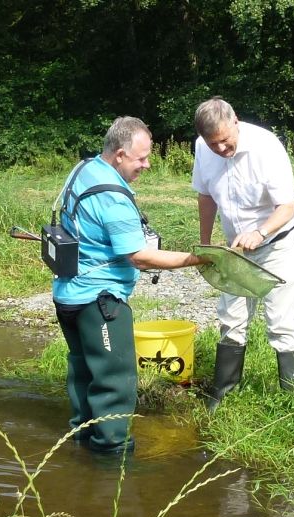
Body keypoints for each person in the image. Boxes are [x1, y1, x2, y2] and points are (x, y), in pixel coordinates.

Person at [52, 116, 208, 453]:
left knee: (82, 370)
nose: (147, 165)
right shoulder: (114, 199)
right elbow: (139, 257)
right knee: (114, 381)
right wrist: (198, 259)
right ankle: (112, 455)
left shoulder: (83, 169)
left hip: (66, 295)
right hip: (101, 304)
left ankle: (80, 442)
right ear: (120, 154)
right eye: (142, 158)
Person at [191, 97, 294, 411]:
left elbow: (288, 207)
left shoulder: (267, 148)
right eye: (214, 145)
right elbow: (205, 196)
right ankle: (222, 394)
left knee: (281, 321)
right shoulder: (203, 148)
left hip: (277, 243)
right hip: (234, 249)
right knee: (231, 318)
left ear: (236, 121)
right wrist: (205, 243)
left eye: (226, 142)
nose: (222, 150)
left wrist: (260, 232)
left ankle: (291, 401)